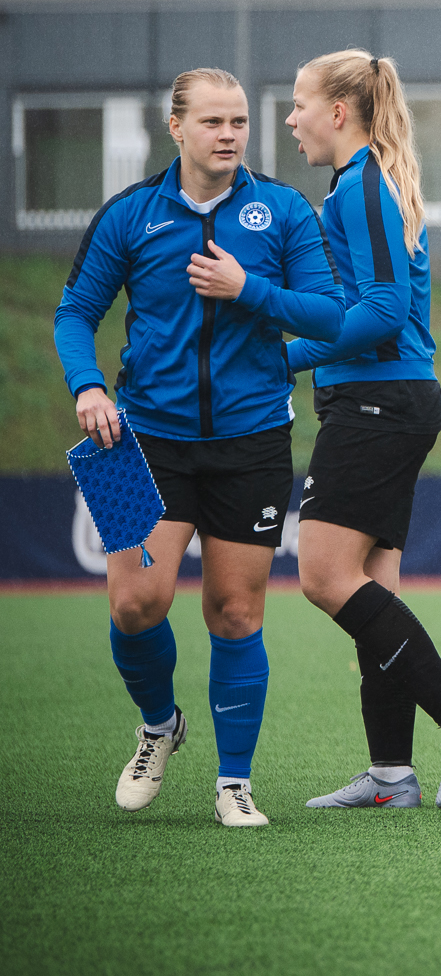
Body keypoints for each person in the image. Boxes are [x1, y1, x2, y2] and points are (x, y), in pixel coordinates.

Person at [55, 68, 344, 828]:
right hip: (140, 438)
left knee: (235, 612)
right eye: (213, 121)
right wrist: (88, 386)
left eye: (240, 121)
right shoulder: (131, 214)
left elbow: (331, 314)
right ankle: (159, 724)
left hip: (250, 440)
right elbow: (74, 311)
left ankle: (235, 782)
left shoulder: (282, 209)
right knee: (135, 602)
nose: (229, 134)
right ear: (175, 127)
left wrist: (249, 288)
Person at [278, 50, 441, 811]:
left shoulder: (360, 186)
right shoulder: (359, 182)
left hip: (379, 401)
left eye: (299, 104)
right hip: (384, 398)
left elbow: (381, 310)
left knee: (322, 575)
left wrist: (287, 355)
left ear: (339, 111)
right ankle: (390, 775)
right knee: (373, 586)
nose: (290, 120)